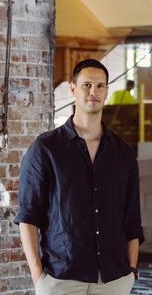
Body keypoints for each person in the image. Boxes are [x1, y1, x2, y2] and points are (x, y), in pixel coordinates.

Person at [15, 59, 144, 295]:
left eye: (100, 86)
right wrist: (39, 278)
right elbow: (28, 217)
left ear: (107, 91)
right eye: (86, 85)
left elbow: (132, 219)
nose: (93, 92)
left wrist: (131, 272)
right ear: (73, 89)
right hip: (61, 280)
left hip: (114, 281)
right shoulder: (47, 148)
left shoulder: (123, 153)